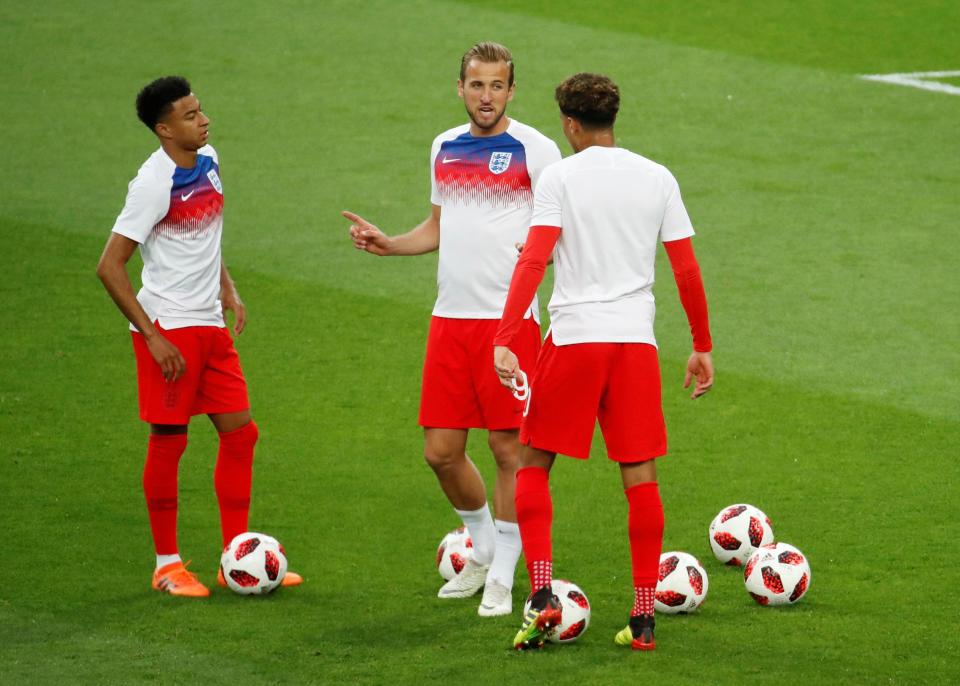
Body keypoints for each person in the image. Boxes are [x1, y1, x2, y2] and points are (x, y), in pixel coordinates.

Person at [493, 72, 714, 650]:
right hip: (635, 345)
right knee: (640, 477)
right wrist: (701, 345)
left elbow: (535, 259)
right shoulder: (657, 177)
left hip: (575, 341)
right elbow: (686, 269)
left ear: (569, 123)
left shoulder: (560, 178)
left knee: (531, 460)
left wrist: (505, 334)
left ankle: (541, 595)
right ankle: (643, 619)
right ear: (613, 118)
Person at [344, 42, 561, 616]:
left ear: (512, 91)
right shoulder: (443, 146)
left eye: (496, 86)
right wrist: (390, 244)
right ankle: (486, 549)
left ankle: (505, 575)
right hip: (449, 320)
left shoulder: (536, 151)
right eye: (475, 84)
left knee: (507, 448)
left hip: (508, 326)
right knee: (440, 452)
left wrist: (540, 258)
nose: (485, 96)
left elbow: (561, 229)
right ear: (459, 87)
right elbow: (440, 225)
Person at [96, 76, 302, 597]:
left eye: (201, 109)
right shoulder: (153, 183)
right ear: (164, 129)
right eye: (189, 116)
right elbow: (110, 267)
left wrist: (227, 287)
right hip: (169, 326)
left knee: (241, 434)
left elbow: (206, 236)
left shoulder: (208, 161)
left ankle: (237, 557)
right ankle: (166, 565)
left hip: (208, 323)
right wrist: (152, 336)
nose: (203, 119)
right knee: (170, 441)